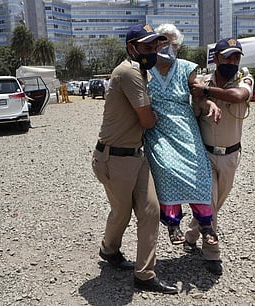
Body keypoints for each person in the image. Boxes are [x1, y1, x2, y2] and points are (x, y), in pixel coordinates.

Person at [91, 23, 177, 294]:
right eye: (147, 47)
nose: (153, 52)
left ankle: (145, 274)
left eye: (155, 47)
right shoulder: (128, 72)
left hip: (136, 156)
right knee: (122, 213)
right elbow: (148, 120)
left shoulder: (141, 72)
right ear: (132, 48)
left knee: (150, 211)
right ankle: (109, 249)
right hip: (114, 159)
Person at [144, 24, 221, 247]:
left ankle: (206, 223)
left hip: (185, 126)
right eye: (161, 41)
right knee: (166, 168)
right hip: (158, 126)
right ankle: (172, 222)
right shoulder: (145, 70)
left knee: (200, 170)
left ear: (177, 46)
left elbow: (197, 93)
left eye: (170, 42)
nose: (165, 46)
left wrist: (209, 103)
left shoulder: (187, 68)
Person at [186, 38, 254, 275]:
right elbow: (192, 112)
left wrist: (205, 92)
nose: (233, 62)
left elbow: (237, 96)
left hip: (231, 155)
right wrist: (202, 98)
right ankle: (212, 253)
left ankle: (192, 233)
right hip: (205, 155)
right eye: (227, 57)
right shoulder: (202, 82)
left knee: (217, 204)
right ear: (216, 59)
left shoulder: (244, 79)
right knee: (210, 204)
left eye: (236, 57)